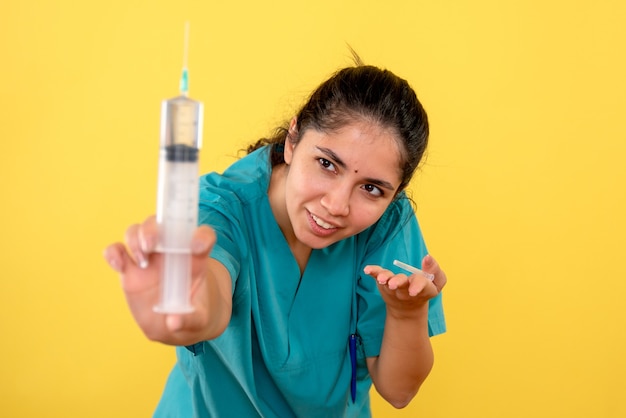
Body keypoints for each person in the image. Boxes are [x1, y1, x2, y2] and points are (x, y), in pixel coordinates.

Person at [104, 57, 447, 417]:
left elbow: (399, 390)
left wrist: (406, 312)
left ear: (395, 194)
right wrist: (183, 307)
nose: (336, 205)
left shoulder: (388, 224)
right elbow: (209, 297)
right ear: (294, 139)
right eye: (327, 164)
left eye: (372, 188)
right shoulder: (221, 209)